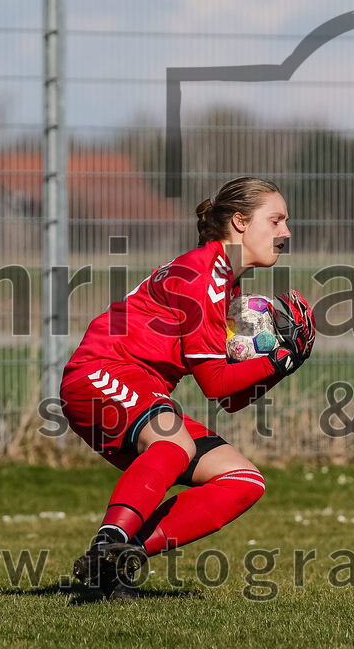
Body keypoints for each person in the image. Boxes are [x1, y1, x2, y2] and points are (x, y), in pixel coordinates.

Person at [60, 176, 315, 598]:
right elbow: (216, 385)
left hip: (142, 388)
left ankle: (120, 562)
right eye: (275, 221)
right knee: (173, 444)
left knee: (242, 480)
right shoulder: (204, 275)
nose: (285, 232)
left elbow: (232, 400)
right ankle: (107, 542)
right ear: (239, 222)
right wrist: (275, 358)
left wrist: (281, 367)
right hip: (100, 373)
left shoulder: (224, 279)